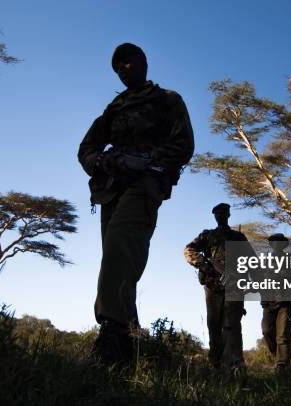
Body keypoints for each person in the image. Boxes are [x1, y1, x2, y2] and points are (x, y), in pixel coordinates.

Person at [78, 43, 194, 364]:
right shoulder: (113, 110)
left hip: (145, 184)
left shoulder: (166, 100)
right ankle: (132, 340)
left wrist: (147, 161)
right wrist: (100, 161)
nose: (123, 68)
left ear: (143, 62)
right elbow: (86, 147)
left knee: (119, 247)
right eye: (117, 66)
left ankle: (112, 335)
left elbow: (183, 144)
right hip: (111, 188)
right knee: (118, 258)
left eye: (128, 61)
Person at [184, 203, 248, 376]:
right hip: (213, 285)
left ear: (228, 214)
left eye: (224, 212)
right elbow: (188, 250)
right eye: (217, 212)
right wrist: (206, 265)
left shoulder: (238, 237)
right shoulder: (207, 235)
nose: (220, 215)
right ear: (214, 215)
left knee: (232, 325)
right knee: (214, 325)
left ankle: (234, 365)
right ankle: (216, 365)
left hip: (234, 285)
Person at [260, 233, 291, 373]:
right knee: (266, 331)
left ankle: (282, 364)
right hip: (268, 301)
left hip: (286, 301)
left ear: (283, 245)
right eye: (274, 242)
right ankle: (277, 356)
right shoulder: (264, 261)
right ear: (271, 245)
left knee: (283, 333)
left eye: (279, 242)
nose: (276, 244)